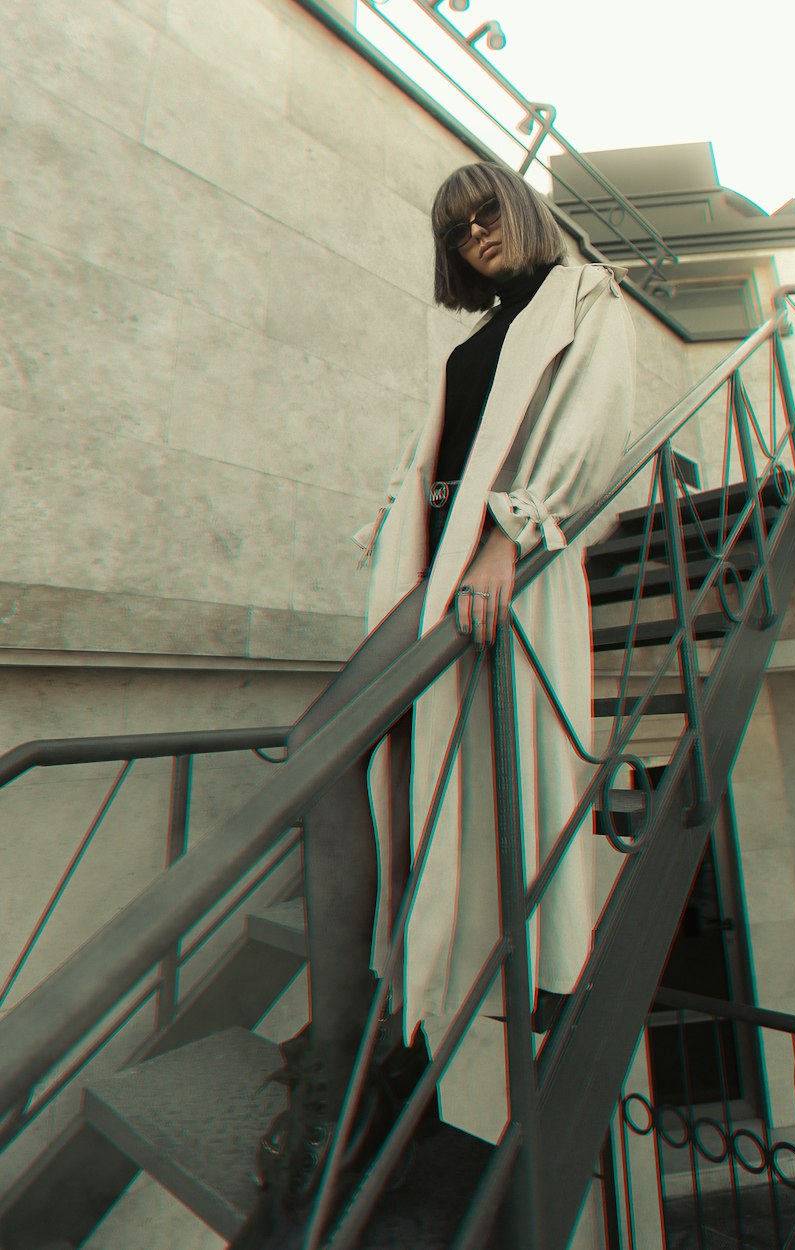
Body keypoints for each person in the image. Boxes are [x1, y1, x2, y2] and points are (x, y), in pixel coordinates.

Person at [255, 161, 636, 1221]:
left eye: (486, 214)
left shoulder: (587, 302)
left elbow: (591, 434)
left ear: (522, 212)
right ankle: (358, 1051)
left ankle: (347, 1064)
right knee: (354, 767)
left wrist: (512, 540)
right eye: (457, 228)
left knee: (326, 748)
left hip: (490, 574)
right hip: (430, 570)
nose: (475, 235)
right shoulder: (464, 339)